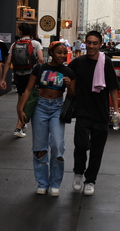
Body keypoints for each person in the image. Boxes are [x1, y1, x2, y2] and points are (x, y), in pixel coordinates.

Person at [17, 41, 75, 196]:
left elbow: (72, 96)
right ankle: (42, 182)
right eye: (59, 52)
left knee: (57, 145)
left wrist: (69, 86)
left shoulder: (68, 71)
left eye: (64, 53)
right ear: (51, 52)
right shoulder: (40, 68)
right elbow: (28, 89)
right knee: (40, 146)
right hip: (40, 108)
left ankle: (55, 182)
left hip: (57, 108)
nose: (62, 56)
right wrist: (20, 109)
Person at [68, 31, 120, 196]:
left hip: (101, 112)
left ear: (100, 44)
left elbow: (113, 88)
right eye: (89, 43)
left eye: (95, 43)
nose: (91, 46)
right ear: (85, 43)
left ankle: (90, 180)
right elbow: (66, 79)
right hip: (83, 110)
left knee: (97, 149)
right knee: (81, 144)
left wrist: (117, 111)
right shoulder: (77, 63)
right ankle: (78, 172)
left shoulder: (106, 63)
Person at [0, 23, 44, 138]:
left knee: (20, 99)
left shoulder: (14, 44)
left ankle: (20, 123)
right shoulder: (36, 44)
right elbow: (41, 59)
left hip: (18, 75)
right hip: (30, 75)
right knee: (27, 99)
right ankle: (19, 126)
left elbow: (8, 62)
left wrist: (3, 79)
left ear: (20, 32)